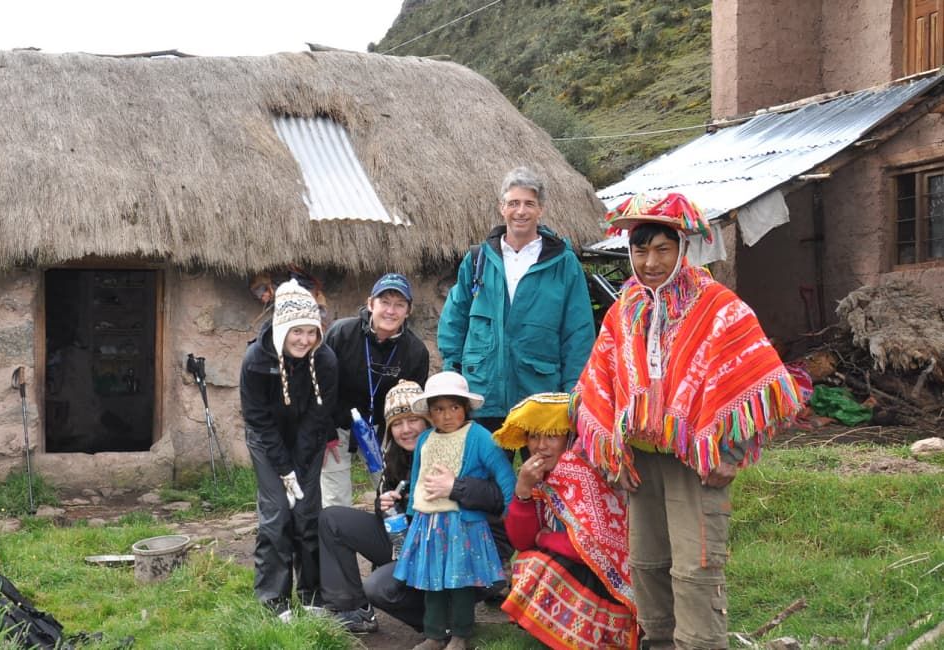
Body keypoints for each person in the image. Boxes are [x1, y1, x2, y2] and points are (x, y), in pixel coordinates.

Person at [573, 193, 803, 650]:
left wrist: (731, 452)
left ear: (682, 249)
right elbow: (599, 382)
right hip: (642, 465)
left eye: (662, 249)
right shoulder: (623, 313)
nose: (651, 261)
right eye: (641, 251)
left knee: (695, 570)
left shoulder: (718, 307)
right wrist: (613, 452)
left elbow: (760, 378)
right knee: (648, 567)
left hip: (697, 467)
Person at [316, 380, 507, 634]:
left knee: (379, 586)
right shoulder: (394, 454)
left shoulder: (468, 443)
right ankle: (353, 610)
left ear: (428, 419)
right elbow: (392, 510)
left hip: (470, 550)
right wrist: (384, 506)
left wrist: (455, 487)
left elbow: (499, 498)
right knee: (333, 519)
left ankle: (444, 623)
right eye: (396, 423)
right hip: (416, 541)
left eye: (413, 420)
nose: (405, 430)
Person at [437, 166, 595, 436]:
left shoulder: (564, 264)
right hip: (484, 394)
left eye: (528, 204)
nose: (520, 211)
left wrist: (572, 390)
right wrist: (454, 377)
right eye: (513, 203)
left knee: (543, 475)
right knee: (483, 478)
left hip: (540, 393)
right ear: (502, 207)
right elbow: (454, 319)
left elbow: (578, 332)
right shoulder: (478, 259)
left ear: (540, 209)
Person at [495, 393, 636, 650]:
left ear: (570, 438)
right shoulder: (540, 477)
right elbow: (520, 541)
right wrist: (523, 490)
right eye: (534, 436)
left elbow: (588, 548)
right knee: (527, 561)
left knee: (538, 564)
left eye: (551, 436)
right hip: (576, 567)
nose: (540, 446)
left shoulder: (584, 473)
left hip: (608, 580)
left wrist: (543, 538)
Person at [394, 372, 516, 650]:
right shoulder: (425, 439)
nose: (447, 415)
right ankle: (434, 635)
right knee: (431, 582)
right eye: (438, 409)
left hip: (464, 525)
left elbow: (503, 474)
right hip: (428, 523)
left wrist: (511, 512)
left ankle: (460, 634)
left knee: (461, 582)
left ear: (465, 408)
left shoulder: (480, 437)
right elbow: (417, 478)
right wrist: (412, 515)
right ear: (430, 413)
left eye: (454, 407)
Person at [239, 279, 340, 615]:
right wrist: (283, 468)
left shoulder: (324, 361)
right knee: (277, 516)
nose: (304, 340)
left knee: (307, 515)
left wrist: (298, 465)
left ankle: (313, 595)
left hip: (306, 443)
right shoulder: (255, 360)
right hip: (268, 443)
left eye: (311, 332)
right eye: (297, 332)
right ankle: (273, 600)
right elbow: (258, 419)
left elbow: (318, 417)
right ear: (283, 328)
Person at [321, 272, 431, 508]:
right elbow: (319, 385)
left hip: (382, 429)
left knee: (395, 490)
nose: (391, 311)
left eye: (399, 305)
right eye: (385, 302)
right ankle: (339, 541)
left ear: (408, 311)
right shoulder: (341, 334)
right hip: (336, 425)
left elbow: (413, 406)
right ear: (371, 303)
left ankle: (398, 541)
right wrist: (324, 431)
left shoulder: (415, 352)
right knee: (335, 498)